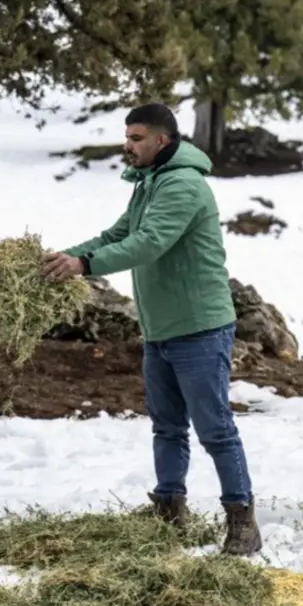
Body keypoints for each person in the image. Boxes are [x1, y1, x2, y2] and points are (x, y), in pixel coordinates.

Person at [41, 102, 262, 556]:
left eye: (137, 137)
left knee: (215, 428)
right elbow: (118, 233)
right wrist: (67, 256)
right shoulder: (150, 183)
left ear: (162, 140)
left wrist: (84, 265)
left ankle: (242, 520)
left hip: (199, 328)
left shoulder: (182, 185)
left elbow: (149, 242)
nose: (128, 145)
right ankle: (169, 509)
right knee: (167, 427)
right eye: (127, 137)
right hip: (161, 329)